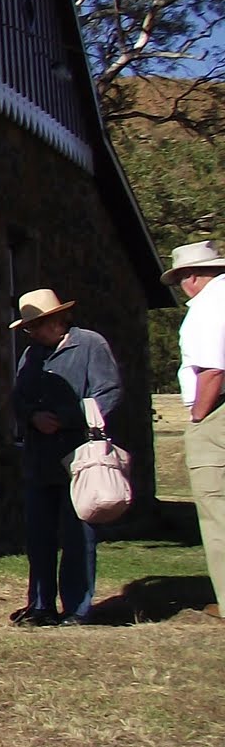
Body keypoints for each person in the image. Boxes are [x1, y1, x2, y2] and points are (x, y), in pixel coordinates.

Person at [7, 288, 122, 626]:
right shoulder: (31, 355)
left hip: (79, 455)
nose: (32, 333)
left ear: (57, 320)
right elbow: (18, 397)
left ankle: (76, 607)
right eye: (28, 328)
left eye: (36, 325)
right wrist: (32, 417)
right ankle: (40, 604)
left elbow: (108, 392)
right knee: (38, 535)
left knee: (78, 534)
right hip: (39, 457)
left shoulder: (90, 345)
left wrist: (67, 418)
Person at [164, 240, 225, 621]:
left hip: (217, 412)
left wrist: (199, 415)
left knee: (216, 508)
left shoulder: (206, 308)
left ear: (191, 277)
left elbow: (212, 369)